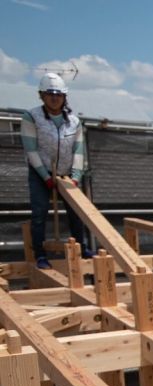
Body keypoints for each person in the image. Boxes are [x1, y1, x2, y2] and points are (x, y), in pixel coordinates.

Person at [21, 73, 92, 269]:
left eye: (59, 95)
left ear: (64, 97)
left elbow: (78, 149)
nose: (54, 98)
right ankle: (40, 254)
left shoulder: (73, 121)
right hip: (41, 172)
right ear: (42, 95)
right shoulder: (32, 117)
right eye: (50, 94)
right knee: (39, 212)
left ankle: (81, 247)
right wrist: (45, 176)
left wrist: (76, 176)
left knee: (77, 211)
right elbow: (31, 149)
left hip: (67, 172)